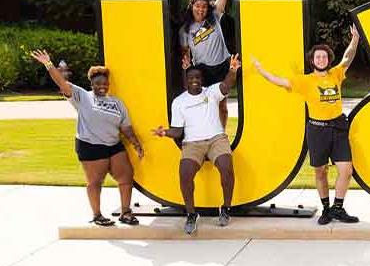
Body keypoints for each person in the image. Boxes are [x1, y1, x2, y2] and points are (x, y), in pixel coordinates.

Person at [253, 25, 361, 225]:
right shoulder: (304, 81)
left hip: (338, 127)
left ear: (328, 59)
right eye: (317, 57)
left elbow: (347, 58)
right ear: (312, 61)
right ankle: (326, 209)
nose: (321, 60)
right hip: (317, 129)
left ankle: (338, 208)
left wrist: (354, 40)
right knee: (321, 171)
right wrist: (261, 71)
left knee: (346, 170)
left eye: (324, 57)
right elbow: (280, 82)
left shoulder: (336, 74)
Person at [29, 49, 143, 226]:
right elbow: (62, 82)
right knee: (95, 182)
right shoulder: (82, 96)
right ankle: (97, 215)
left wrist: (136, 143)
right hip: (90, 145)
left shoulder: (117, 102)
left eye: (105, 83)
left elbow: (126, 127)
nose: (102, 86)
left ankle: (126, 212)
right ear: (91, 83)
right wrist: (48, 64)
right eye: (98, 83)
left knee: (126, 176)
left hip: (113, 144)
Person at [153, 54, 241, 235]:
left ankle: (226, 208)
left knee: (226, 167)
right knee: (185, 174)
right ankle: (191, 214)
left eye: (198, 78)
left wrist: (232, 69)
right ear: (186, 80)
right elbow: (177, 131)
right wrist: (165, 133)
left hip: (216, 139)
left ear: (202, 80)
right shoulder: (179, 102)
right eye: (191, 78)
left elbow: (226, 85)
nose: (195, 81)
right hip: (193, 143)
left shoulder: (211, 92)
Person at [179, 0, 247, 128]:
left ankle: (221, 135)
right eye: (197, 6)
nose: (201, 9)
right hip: (203, 69)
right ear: (192, 7)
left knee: (222, 106)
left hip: (222, 66)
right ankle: (207, 134)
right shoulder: (185, 30)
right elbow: (185, 53)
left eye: (203, 7)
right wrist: (187, 65)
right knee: (206, 105)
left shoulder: (214, 16)